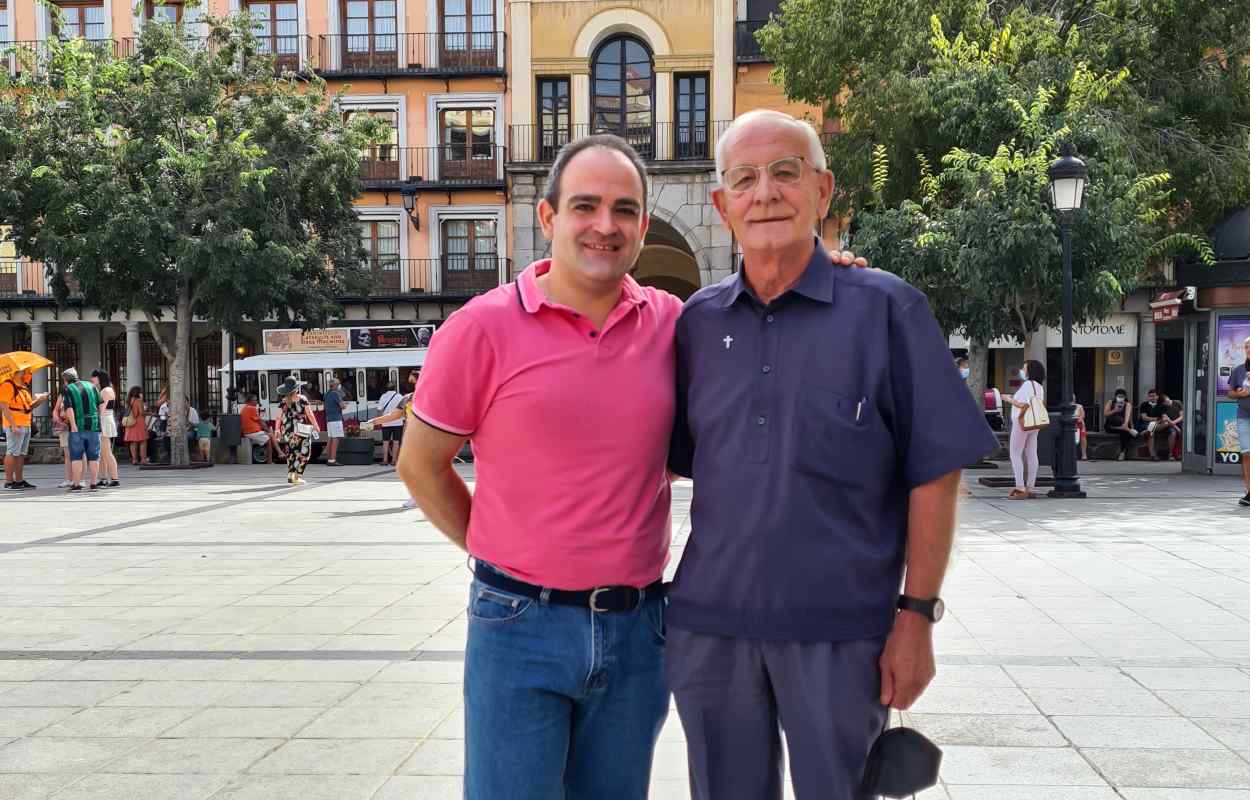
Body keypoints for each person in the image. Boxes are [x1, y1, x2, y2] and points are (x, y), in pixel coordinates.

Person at [665, 110, 998, 800]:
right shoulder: (696, 323)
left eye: (786, 173)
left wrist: (918, 616)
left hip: (843, 634)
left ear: (823, 189)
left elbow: (935, 473)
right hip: (711, 630)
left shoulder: (888, 311)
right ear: (723, 206)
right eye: (746, 180)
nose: (767, 193)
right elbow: (670, 457)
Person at [363, 370, 420, 508]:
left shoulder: (432, 396)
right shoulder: (407, 398)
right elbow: (394, 415)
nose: (412, 384)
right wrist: (374, 421)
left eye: (414, 381)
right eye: (411, 382)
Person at [1003, 361, 1046, 498]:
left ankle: (1020, 487)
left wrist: (1008, 399)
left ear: (1030, 370)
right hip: (1035, 423)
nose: (1022, 369)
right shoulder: (1039, 386)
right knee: (1032, 453)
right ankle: (1031, 487)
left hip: (1021, 422)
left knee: (1015, 454)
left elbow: (1022, 404)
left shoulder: (1027, 385)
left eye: (1024, 367)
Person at [1, 368, 48, 490]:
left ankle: (19, 480)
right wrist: (13, 424)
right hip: (15, 424)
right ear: (16, 372)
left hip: (25, 423)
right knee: (12, 452)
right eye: (24, 370)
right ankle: (9, 481)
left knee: (21, 453)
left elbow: (28, 407)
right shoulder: (7, 385)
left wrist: (40, 400)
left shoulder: (23, 387)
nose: (27, 373)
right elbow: (4, 407)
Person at [61, 368, 103, 492]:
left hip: (78, 427)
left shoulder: (68, 389)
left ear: (66, 380)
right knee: (94, 456)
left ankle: (76, 484)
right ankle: (94, 483)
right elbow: (100, 404)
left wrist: (73, 424)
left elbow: (69, 408)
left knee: (76, 456)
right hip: (93, 426)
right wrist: (98, 418)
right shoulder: (91, 386)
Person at [274, 377, 318, 484]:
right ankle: (297, 476)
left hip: (287, 431)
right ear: (296, 389)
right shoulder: (302, 399)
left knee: (291, 453)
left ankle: (291, 475)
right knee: (305, 453)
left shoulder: (283, 401)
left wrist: (277, 429)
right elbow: (309, 414)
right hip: (300, 430)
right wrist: (315, 425)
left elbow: (278, 417)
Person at [1225, 336, 1250, 506]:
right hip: (1244, 417)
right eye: (1247, 347)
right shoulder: (1239, 370)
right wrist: (1239, 394)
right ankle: (1249, 491)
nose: (1248, 349)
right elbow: (1230, 392)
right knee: (1247, 454)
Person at [90, 369, 120, 487]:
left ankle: (114, 477)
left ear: (99, 378)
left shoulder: (104, 391)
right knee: (102, 453)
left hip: (104, 421)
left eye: (94, 377)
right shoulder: (108, 389)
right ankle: (103, 478)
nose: (92, 380)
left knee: (107, 452)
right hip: (107, 420)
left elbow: (101, 410)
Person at [1103, 388, 1138, 460]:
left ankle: (1122, 452)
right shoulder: (1111, 402)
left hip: (1122, 426)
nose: (1120, 398)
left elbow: (1127, 418)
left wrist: (1127, 425)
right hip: (1111, 425)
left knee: (1124, 431)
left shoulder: (1127, 404)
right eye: (1119, 396)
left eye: (1122, 396)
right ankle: (1128, 430)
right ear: (1116, 396)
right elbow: (1105, 414)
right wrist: (1114, 410)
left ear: (1125, 397)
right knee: (1117, 420)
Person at [1138, 388, 1172, 461]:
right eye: (1150, 396)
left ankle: (1147, 431)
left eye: (1154, 396)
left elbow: (1163, 417)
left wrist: (1158, 420)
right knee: (1151, 432)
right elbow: (1144, 418)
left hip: (1159, 424)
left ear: (1157, 397)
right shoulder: (1144, 404)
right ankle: (1153, 455)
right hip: (1146, 424)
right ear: (1148, 397)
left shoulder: (1162, 405)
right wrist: (1155, 419)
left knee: (1167, 425)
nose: (1152, 398)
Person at [376, 381, 405, 466]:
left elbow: (379, 410)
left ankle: (385, 460)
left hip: (386, 422)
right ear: (395, 388)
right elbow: (403, 409)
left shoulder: (383, 396)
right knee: (396, 442)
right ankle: (394, 460)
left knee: (385, 442)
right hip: (397, 422)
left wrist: (379, 420)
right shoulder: (400, 397)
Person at [239, 394, 274, 464]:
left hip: (250, 431)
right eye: (255, 400)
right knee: (269, 438)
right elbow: (260, 421)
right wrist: (267, 430)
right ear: (250, 401)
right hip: (252, 432)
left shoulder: (244, 408)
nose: (256, 402)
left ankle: (279, 453)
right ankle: (270, 460)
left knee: (271, 434)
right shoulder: (251, 408)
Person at [52, 386, 75, 487]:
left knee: (77, 454)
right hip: (65, 427)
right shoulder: (62, 396)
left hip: (73, 426)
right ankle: (68, 479)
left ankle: (77, 479)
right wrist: (57, 418)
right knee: (67, 454)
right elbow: (56, 410)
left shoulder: (75, 394)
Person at [122, 386, 150, 466]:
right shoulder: (138, 401)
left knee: (133, 442)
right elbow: (141, 412)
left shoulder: (128, 401)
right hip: (138, 422)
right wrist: (150, 413)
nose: (141, 393)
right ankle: (143, 459)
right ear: (138, 393)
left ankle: (134, 459)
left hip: (130, 422)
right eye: (140, 392)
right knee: (143, 441)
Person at [323, 377, 345, 466]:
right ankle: (332, 460)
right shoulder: (335, 393)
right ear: (335, 385)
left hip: (329, 419)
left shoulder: (327, 394)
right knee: (336, 438)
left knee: (331, 438)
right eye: (339, 384)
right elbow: (342, 406)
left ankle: (329, 458)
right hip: (336, 419)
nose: (340, 385)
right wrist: (343, 403)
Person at [1074, 394, 1089, 461]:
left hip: (1078, 425)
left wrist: (1078, 420)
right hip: (1070, 425)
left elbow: (1082, 416)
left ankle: (1084, 454)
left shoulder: (1079, 406)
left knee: (1083, 436)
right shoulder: (1065, 407)